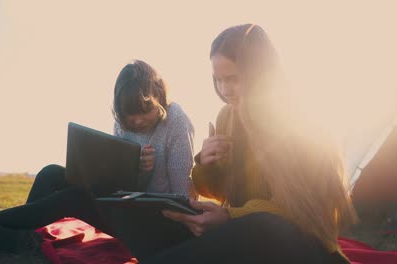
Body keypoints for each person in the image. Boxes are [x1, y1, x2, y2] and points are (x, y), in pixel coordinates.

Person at [141, 24, 358, 263]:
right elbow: (220, 193)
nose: (224, 90)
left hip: (305, 245)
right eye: (218, 80)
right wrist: (207, 164)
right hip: (251, 239)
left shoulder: (295, 117)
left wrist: (230, 216)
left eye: (232, 79)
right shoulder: (228, 116)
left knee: (259, 227)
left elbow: (300, 210)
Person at [0, 59, 195, 256]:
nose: (137, 120)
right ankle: (20, 238)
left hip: (159, 224)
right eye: (130, 115)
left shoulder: (176, 121)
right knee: (51, 173)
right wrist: (124, 175)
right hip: (122, 204)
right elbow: (117, 180)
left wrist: (143, 174)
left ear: (159, 97)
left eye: (145, 111)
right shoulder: (123, 123)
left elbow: (180, 199)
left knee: (76, 197)